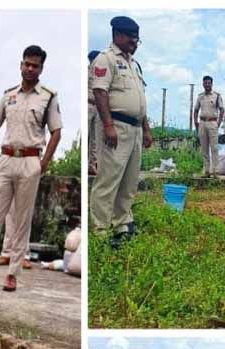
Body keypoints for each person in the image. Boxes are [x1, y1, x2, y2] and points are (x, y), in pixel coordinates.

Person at [0, 44, 62, 293]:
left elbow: (56, 132)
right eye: (26, 64)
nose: (30, 69)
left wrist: (43, 164)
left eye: (35, 65)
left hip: (31, 160)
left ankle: (12, 273)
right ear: (21, 65)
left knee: (22, 221)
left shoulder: (48, 96)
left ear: (41, 68)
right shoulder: (8, 95)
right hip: (6, 159)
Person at [89, 16, 152, 247]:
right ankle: (101, 229)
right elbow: (100, 93)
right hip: (115, 126)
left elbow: (140, 100)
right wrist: (107, 126)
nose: (134, 43)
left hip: (135, 128)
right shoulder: (105, 60)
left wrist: (146, 128)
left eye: (137, 39)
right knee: (108, 179)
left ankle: (122, 224)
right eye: (131, 38)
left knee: (129, 179)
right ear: (118, 35)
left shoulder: (134, 64)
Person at [194, 76, 224, 177]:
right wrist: (195, 122)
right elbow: (196, 110)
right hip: (202, 123)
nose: (207, 85)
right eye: (205, 83)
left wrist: (218, 123)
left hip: (212, 123)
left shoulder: (217, 96)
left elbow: (222, 110)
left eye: (209, 83)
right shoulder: (200, 96)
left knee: (214, 148)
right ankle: (206, 171)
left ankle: (215, 171)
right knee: (204, 148)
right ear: (203, 84)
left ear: (212, 84)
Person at [87, 50, 100, 175]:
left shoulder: (99, 73)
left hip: (98, 108)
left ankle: (92, 165)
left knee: (95, 138)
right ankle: (85, 164)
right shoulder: (87, 72)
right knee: (87, 136)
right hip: (88, 105)